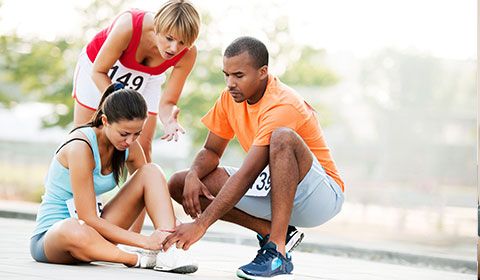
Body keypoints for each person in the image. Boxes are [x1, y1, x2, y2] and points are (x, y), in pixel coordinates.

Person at [163, 36, 345, 279]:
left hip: (318, 196)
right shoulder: (229, 98)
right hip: (274, 187)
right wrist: (194, 174)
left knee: (282, 138)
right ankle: (275, 232)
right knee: (180, 183)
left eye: (238, 75)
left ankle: (277, 252)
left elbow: (248, 174)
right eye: (226, 74)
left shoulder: (283, 103)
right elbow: (212, 151)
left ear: (262, 72)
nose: (230, 83)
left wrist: (201, 224)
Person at [30, 83, 197, 273]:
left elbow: (148, 192)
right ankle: (135, 258)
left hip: (96, 234)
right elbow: (88, 218)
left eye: (137, 134)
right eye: (124, 133)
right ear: (105, 120)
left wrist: (145, 234)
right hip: (55, 238)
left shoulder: (129, 146)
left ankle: (169, 251)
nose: (130, 141)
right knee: (73, 228)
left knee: (151, 171)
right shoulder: (80, 147)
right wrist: (143, 242)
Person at [72, 0, 201, 163]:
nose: (174, 49)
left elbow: (168, 103)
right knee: (86, 141)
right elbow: (98, 71)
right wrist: (120, 105)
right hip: (100, 69)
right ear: (157, 26)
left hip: (147, 77)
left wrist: (169, 119)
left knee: (142, 148)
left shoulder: (188, 54)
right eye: (169, 38)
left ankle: (142, 187)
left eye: (182, 42)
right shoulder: (129, 25)